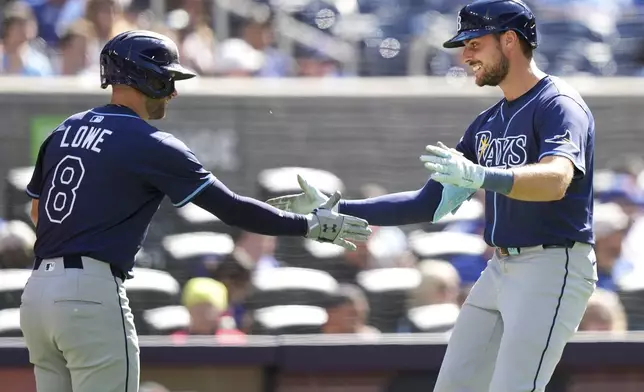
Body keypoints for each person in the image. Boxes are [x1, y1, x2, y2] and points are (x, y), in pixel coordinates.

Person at [266, 1, 597, 391]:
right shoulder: (487, 122)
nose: (465, 54)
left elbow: (557, 178)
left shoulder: (558, 103)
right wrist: (338, 207)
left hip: (552, 263)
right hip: (501, 267)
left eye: (474, 42)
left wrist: (482, 174)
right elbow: (428, 203)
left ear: (510, 40)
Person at [19, 30, 371, 392]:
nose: (173, 91)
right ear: (145, 76)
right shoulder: (150, 143)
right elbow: (231, 209)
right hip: (89, 293)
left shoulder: (64, 129)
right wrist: (309, 225)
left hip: (37, 295)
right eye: (167, 78)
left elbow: (36, 213)